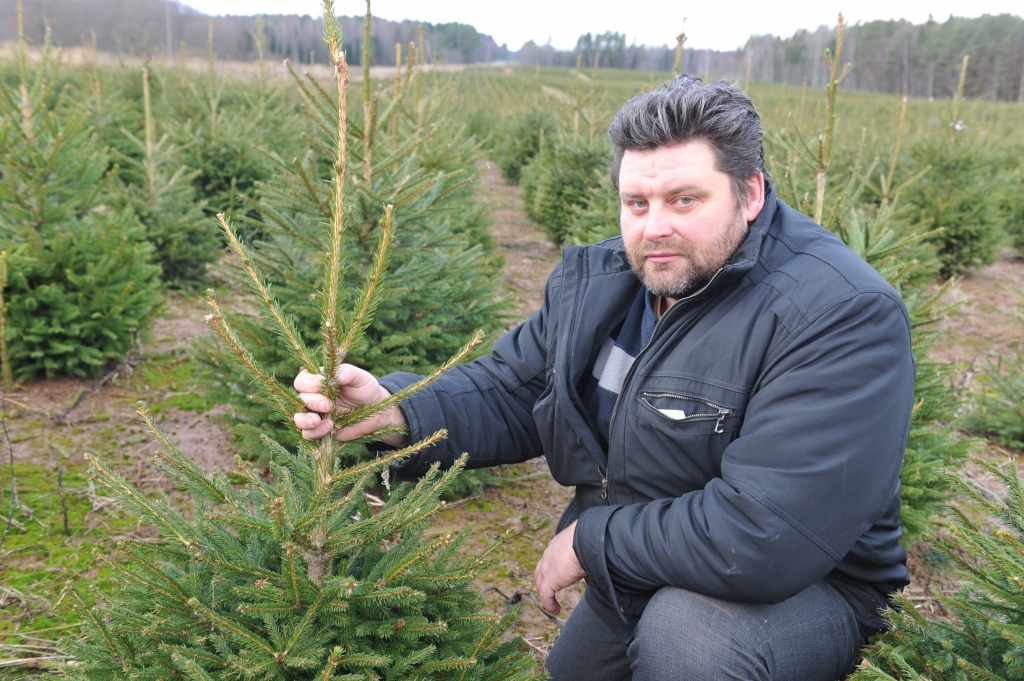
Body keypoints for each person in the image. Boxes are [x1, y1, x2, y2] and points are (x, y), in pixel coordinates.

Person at [293, 76, 915, 681]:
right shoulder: (605, 284)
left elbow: (766, 535)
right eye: (636, 203)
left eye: (685, 200)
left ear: (749, 194)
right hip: (649, 563)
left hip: (808, 587)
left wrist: (590, 541)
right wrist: (396, 409)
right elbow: (516, 390)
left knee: (686, 641)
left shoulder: (838, 313)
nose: (654, 227)